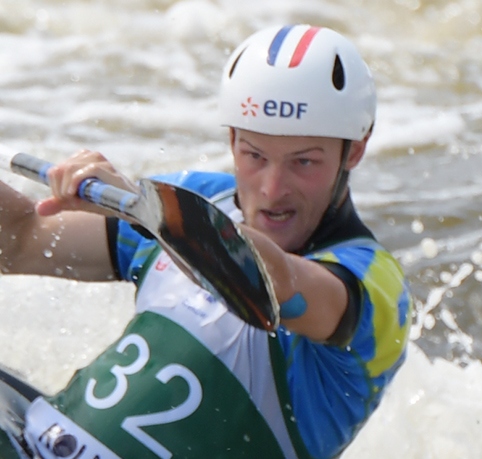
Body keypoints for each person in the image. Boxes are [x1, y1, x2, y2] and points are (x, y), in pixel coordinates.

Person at [0, 24, 412, 459]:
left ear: (354, 151)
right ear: (232, 139)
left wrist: (148, 215)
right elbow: (18, 239)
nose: (273, 190)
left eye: (303, 161)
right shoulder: (194, 200)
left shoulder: (374, 284)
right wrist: (150, 213)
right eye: (254, 155)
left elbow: (267, 277)